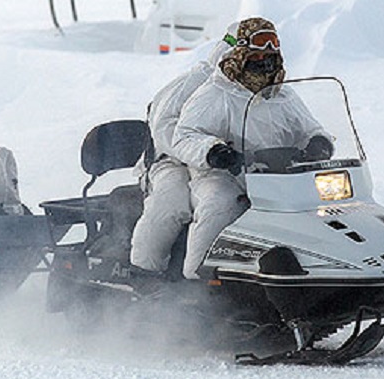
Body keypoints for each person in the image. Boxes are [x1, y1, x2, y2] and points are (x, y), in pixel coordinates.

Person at [171, 16, 333, 280]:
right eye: (260, 42)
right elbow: (184, 135)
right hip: (223, 175)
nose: (268, 50)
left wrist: (319, 143)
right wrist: (214, 152)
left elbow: (309, 128)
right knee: (220, 205)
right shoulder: (217, 92)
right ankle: (198, 276)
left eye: (274, 42)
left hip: (279, 175)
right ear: (243, 48)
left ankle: (324, 267)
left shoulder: (283, 94)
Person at [128, 36, 230, 279]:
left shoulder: (261, 91)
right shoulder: (191, 84)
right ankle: (145, 272)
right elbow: (163, 129)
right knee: (172, 200)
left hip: (220, 163)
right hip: (172, 161)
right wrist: (205, 150)